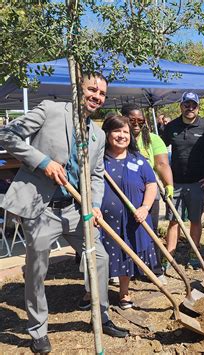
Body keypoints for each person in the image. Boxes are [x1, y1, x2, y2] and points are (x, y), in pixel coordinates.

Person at [0, 74, 129, 353]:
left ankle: (101, 315)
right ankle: (38, 330)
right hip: (40, 208)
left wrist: (94, 204)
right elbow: (6, 135)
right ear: (77, 89)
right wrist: (42, 161)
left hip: (75, 210)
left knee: (100, 258)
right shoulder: (50, 110)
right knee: (36, 271)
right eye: (92, 89)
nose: (97, 96)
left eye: (102, 93)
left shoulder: (96, 134)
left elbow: (96, 175)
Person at [100, 115, 159, 309]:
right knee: (99, 256)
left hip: (132, 219)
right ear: (107, 134)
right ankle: (92, 293)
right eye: (117, 131)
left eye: (125, 132)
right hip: (102, 220)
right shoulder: (98, 160)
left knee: (127, 256)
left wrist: (145, 207)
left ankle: (124, 293)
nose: (122, 136)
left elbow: (151, 184)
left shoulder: (139, 161)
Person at [161, 92, 204, 269]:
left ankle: (194, 253)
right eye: (187, 104)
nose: (190, 108)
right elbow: (160, 151)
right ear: (181, 106)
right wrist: (164, 178)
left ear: (198, 107)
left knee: (195, 219)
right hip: (175, 183)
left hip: (198, 183)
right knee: (174, 220)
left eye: (193, 105)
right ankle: (170, 255)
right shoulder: (171, 127)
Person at [121, 104, 173, 281]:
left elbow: (161, 164)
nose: (136, 124)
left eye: (140, 121)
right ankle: (127, 269)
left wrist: (169, 185)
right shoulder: (119, 138)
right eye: (131, 120)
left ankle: (155, 268)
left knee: (150, 230)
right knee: (125, 229)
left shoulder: (153, 139)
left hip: (149, 191)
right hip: (123, 192)